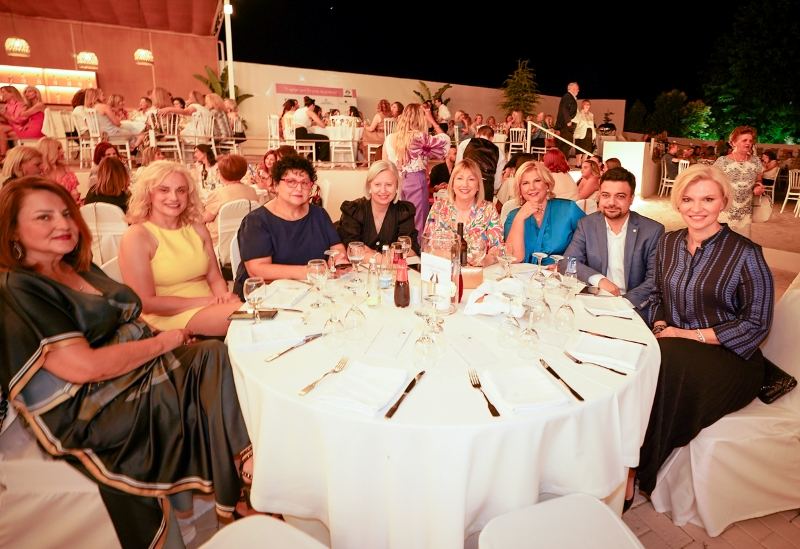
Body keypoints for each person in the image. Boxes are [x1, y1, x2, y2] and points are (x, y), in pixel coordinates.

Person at [0, 177, 252, 548]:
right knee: (202, 375)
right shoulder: (19, 287)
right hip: (92, 404)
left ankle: (244, 469)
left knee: (214, 355)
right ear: (12, 231)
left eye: (66, 213)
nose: (63, 224)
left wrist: (163, 337)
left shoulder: (76, 266)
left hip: (134, 369)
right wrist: (165, 341)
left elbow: (128, 317)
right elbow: (84, 367)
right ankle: (245, 473)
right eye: (44, 217)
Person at [634, 163, 773, 504]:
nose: (697, 208)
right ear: (678, 203)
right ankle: (624, 452)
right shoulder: (668, 243)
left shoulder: (746, 253)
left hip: (731, 360)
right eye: (688, 199)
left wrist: (686, 336)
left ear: (723, 201)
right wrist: (661, 327)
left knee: (666, 359)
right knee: (645, 356)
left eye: (708, 199)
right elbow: (658, 297)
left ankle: (636, 470)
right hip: (676, 348)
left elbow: (757, 324)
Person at [119, 161, 242, 336]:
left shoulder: (197, 228)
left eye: (181, 190)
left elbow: (215, 278)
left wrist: (224, 298)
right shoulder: (137, 236)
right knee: (249, 319)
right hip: (166, 318)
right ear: (148, 194)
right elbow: (145, 303)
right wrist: (208, 302)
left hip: (211, 308)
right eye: (164, 190)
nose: (174, 197)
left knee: (259, 315)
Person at [561, 167, 664, 321]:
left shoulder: (652, 231)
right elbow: (568, 262)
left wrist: (622, 303)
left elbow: (654, 280)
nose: (611, 202)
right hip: (595, 302)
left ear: (631, 199)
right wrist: (599, 280)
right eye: (606, 195)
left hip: (632, 307)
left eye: (620, 196)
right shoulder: (587, 224)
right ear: (599, 195)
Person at [234, 155, 346, 297]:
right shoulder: (256, 221)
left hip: (311, 293)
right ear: (275, 185)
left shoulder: (319, 214)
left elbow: (337, 247)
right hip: (265, 297)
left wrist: (338, 260)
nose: (299, 188)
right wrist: (310, 272)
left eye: (305, 182)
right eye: (291, 182)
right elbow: (257, 270)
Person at [383, 103, 450, 238]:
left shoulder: (389, 138)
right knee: (418, 222)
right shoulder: (420, 138)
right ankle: (417, 249)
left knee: (398, 220)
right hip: (415, 180)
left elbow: (384, 164)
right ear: (420, 118)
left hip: (394, 182)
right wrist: (432, 120)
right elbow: (445, 142)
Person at [424, 159, 503, 266]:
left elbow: (498, 248)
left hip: (479, 272)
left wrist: (487, 260)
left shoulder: (488, 210)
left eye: (471, 179)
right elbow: (427, 244)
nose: (465, 184)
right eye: (460, 178)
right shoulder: (439, 208)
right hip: (444, 270)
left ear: (478, 186)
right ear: (452, 184)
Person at [504, 160, 585, 265]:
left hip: (560, 273)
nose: (532, 187)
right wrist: (520, 218)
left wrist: (566, 265)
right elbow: (513, 259)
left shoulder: (568, 209)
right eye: (525, 183)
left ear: (547, 184)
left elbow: (591, 244)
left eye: (537, 181)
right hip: (524, 274)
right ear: (520, 189)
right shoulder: (513, 216)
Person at [337, 160, 420, 256]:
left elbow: (410, 249)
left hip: (390, 266)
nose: (383, 190)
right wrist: (384, 256)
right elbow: (352, 249)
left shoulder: (404, 211)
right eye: (377, 185)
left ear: (397, 187)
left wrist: (371, 253)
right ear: (369, 186)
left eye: (389, 185)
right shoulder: (354, 210)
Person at [713, 126, 764, 237]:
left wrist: (758, 186)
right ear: (733, 142)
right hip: (725, 211)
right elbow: (712, 183)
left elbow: (758, 179)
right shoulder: (722, 161)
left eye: (750, 140)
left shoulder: (756, 161)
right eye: (744, 140)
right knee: (723, 243)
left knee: (743, 243)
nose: (748, 143)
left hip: (745, 212)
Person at [203, 154, 258, 246]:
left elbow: (205, 218)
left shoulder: (218, 194)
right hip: (245, 239)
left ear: (221, 174)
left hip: (218, 241)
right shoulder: (252, 191)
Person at [456, 125, 505, 201]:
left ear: (477, 134)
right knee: (484, 208)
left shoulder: (465, 143)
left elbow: (458, 167)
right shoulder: (499, 152)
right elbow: (497, 183)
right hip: (486, 188)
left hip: (467, 185)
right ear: (492, 138)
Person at [38, 137, 81, 203]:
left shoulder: (65, 169)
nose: (63, 151)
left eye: (61, 148)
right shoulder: (39, 173)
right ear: (48, 151)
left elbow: (74, 192)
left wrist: (74, 195)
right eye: (58, 149)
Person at [293, 96, 330, 161]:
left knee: (316, 140)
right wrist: (325, 122)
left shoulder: (299, 110)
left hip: (295, 134)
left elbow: (305, 123)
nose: (314, 109)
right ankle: (322, 160)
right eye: (314, 107)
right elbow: (323, 125)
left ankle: (313, 157)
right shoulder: (309, 111)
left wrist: (315, 123)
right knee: (325, 139)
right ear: (312, 105)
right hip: (302, 134)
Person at [555, 82, 579, 158]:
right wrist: (568, 121)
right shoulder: (568, 96)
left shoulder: (569, 97)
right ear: (572, 89)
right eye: (577, 89)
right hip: (565, 125)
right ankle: (562, 161)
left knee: (566, 144)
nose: (578, 90)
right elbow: (564, 109)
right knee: (566, 144)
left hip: (566, 124)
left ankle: (562, 160)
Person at [572, 100, 596, 165]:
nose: (587, 106)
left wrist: (594, 135)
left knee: (587, 151)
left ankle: (583, 164)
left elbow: (592, 125)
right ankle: (578, 164)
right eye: (586, 104)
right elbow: (574, 123)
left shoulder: (591, 114)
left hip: (589, 134)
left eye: (589, 104)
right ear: (582, 105)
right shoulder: (579, 114)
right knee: (579, 150)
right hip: (580, 134)